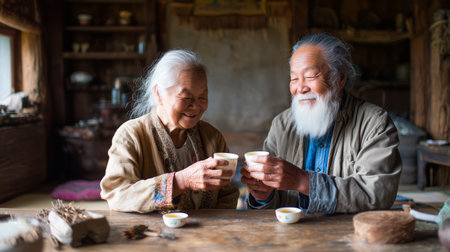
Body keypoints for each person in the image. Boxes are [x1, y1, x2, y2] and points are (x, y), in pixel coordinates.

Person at [241, 33, 402, 214]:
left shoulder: (374, 123)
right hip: (290, 237)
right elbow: (270, 207)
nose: (300, 88)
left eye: (310, 76)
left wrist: (302, 181)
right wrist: (263, 195)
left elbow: (376, 195)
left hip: (349, 235)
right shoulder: (282, 124)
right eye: (294, 79)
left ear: (340, 78)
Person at [101, 49, 239, 213]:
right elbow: (117, 194)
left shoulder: (212, 137)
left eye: (202, 97)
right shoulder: (131, 135)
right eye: (186, 97)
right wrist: (180, 181)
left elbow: (227, 194)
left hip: (205, 236)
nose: (195, 106)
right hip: (155, 235)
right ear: (159, 93)